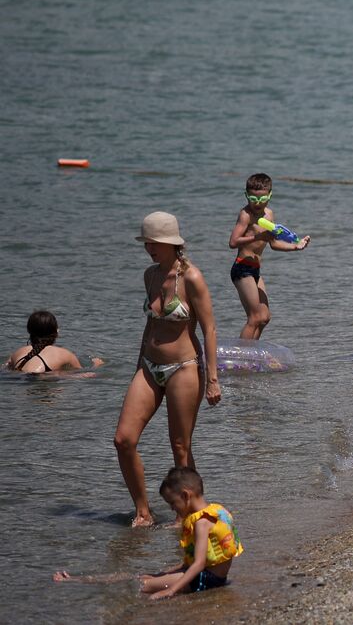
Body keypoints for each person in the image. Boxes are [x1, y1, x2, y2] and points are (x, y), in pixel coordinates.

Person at [116, 212, 220, 528]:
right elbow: (150, 326)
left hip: (185, 367)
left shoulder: (192, 278)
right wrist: (138, 367)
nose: (150, 248)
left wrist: (213, 379)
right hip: (149, 366)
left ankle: (187, 514)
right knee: (124, 439)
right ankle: (143, 512)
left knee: (180, 445)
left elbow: (209, 328)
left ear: (172, 244)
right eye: (147, 242)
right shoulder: (150, 276)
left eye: (155, 243)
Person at [55, 466, 243, 598]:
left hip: (206, 580)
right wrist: (167, 572)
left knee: (141, 585)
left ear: (185, 495)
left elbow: (200, 564)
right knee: (141, 576)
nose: (171, 509)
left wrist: (171, 590)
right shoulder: (218, 511)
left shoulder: (202, 522)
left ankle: (78, 582)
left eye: (172, 503)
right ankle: (76, 579)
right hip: (208, 576)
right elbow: (203, 560)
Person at [227, 173, 311, 341]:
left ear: (270, 195)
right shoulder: (246, 215)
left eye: (262, 199)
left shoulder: (269, 215)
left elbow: (274, 243)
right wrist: (257, 237)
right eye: (253, 198)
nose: (257, 203)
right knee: (255, 317)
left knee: (264, 317)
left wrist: (295, 246)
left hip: (256, 270)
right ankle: (241, 354)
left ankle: (252, 351)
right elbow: (233, 242)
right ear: (246, 196)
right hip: (242, 268)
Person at [7, 310, 100, 374]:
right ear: (56, 331)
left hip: (19, 380)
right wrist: (96, 366)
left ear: (29, 331)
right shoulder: (65, 354)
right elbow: (84, 375)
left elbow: (6, 368)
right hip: (41, 383)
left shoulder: (18, 352)